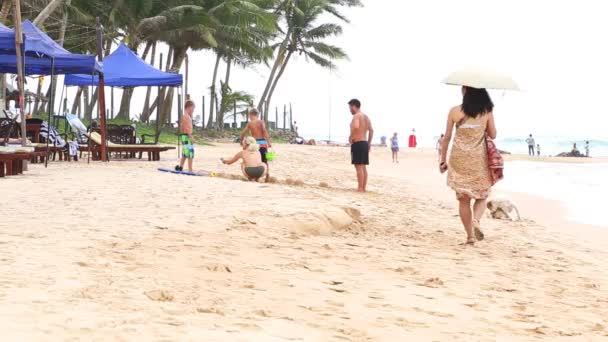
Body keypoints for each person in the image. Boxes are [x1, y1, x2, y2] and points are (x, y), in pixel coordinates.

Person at [440, 86, 497, 245]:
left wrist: (442, 159)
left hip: (459, 159)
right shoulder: (487, 111)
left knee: (463, 200)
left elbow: (447, 138)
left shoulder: (454, 111)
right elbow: (493, 134)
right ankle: (476, 220)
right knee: (482, 195)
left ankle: (470, 237)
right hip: (478, 159)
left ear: (465, 90)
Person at [348, 99, 373, 192]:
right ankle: (363, 188)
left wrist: (351, 136)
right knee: (363, 167)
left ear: (354, 106)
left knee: (358, 167)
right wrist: (369, 143)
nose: (350, 110)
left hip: (358, 143)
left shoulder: (357, 116)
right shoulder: (366, 117)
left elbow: (356, 126)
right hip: (364, 143)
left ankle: (360, 188)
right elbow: (371, 130)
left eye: (350, 108)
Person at [240, 108, 272, 182]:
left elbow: (243, 133)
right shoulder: (261, 122)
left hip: (254, 144)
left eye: (249, 115)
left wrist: (241, 141)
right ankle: (267, 175)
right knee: (264, 160)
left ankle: (253, 177)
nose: (249, 117)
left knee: (254, 159)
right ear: (257, 114)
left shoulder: (250, 123)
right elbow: (264, 131)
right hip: (262, 143)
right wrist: (269, 142)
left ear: (251, 114)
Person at [176, 100, 195, 172]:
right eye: (193, 108)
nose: (193, 110)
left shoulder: (185, 116)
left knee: (185, 153)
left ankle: (180, 167)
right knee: (190, 153)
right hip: (187, 136)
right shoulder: (186, 117)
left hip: (184, 136)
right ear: (189, 107)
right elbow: (187, 128)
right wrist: (191, 137)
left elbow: (182, 127)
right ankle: (190, 169)